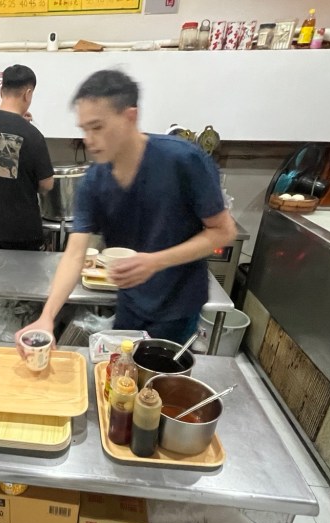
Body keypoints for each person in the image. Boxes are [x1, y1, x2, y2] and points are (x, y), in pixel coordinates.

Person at [17, 70, 237, 344]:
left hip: (178, 307)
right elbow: (74, 254)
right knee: (121, 366)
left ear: (129, 117)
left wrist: (155, 261)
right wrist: (47, 316)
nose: (89, 139)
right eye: (84, 129)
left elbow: (223, 232)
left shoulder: (183, 160)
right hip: (130, 304)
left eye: (97, 127)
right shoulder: (95, 180)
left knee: (160, 369)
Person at [0, 64, 55, 257]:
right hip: (21, 232)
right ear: (28, 94)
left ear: (1, 91)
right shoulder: (32, 135)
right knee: (22, 276)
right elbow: (47, 184)